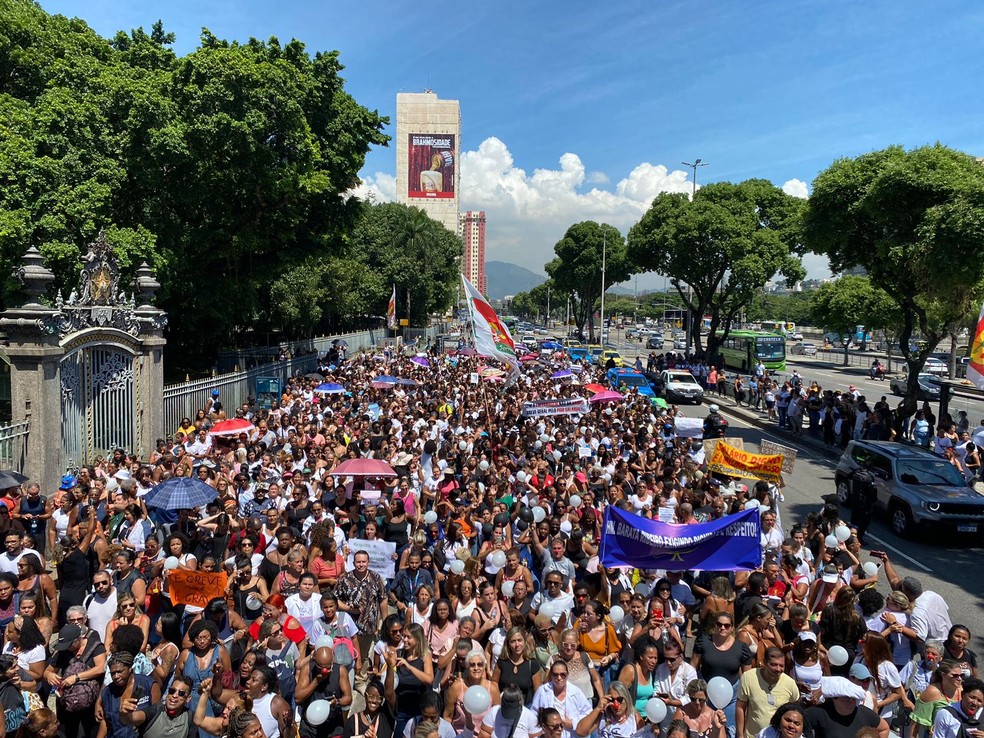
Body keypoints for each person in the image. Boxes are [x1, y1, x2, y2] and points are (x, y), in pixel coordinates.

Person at [44, 623, 107, 738]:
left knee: (91, 733)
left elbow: (101, 668)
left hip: (91, 700)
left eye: (69, 644)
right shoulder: (63, 651)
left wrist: (76, 677)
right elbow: (47, 670)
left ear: (78, 639)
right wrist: (49, 675)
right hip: (68, 702)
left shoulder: (96, 646)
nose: (67, 648)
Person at [736, 647, 800, 738]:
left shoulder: (790, 684)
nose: (778, 669)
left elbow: (796, 710)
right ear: (764, 663)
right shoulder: (748, 677)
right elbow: (740, 707)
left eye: (781, 666)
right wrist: (740, 735)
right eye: (774, 664)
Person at [96, 651, 159, 738]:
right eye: (112, 673)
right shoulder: (108, 692)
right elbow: (106, 721)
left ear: (130, 669)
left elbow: (158, 716)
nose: (116, 676)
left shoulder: (148, 684)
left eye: (120, 671)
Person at [804, 676, 888, 738]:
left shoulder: (864, 713)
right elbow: (798, 722)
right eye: (846, 699)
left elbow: (884, 728)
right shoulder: (819, 712)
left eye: (853, 699)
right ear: (834, 698)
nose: (851, 702)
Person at [120, 673, 196, 738]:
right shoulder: (156, 711)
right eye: (172, 691)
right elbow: (132, 718)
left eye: (181, 693)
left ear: (188, 698)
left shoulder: (190, 718)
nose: (174, 696)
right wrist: (124, 713)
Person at [531, 659, 592, 738]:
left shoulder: (576, 692)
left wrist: (573, 723)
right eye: (555, 674)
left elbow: (588, 714)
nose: (559, 678)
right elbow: (534, 715)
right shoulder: (542, 691)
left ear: (567, 674)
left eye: (562, 674)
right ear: (551, 675)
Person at [574, 681, 640, 738]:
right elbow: (580, 732)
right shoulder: (602, 716)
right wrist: (598, 709)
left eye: (620, 699)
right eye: (612, 700)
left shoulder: (634, 717)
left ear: (626, 699)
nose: (616, 704)